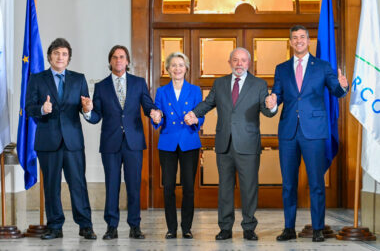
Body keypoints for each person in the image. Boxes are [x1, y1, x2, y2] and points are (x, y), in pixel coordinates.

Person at [185, 47, 277, 241]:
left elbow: (267, 111)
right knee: (225, 188)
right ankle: (225, 227)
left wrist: (272, 105)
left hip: (248, 145)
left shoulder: (259, 84)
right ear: (230, 62)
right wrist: (194, 113)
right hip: (224, 144)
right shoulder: (220, 83)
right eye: (235, 60)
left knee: (249, 188)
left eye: (243, 60)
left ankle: (249, 227)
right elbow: (208, 103)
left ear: (249, 63)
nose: (239, 64)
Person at [270, 25, 348, 242]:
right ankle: (288, 228)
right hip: (288, 132)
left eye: (302, 37)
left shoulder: (322, 66)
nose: (298, 41)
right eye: (294, 38)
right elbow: (277, 96)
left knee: (316, 182)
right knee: (288, 183)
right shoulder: (282, 68)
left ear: (308, 40)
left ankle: (318, 228)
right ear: (290, 42)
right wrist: (272, 102)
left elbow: (336, 90)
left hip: (314, 131)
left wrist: (343, 86)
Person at [82, 45, 161, 240]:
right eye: (115, 57)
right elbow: (96, 117)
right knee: (112, 185)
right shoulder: (101, 86)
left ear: (127, 61)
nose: (118, 60)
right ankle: (112, 226)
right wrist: (87, 111)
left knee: (134, 185)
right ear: (110, 61)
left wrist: (155, 113)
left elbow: (148, 106)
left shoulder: (138, 83)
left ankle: (135, 226)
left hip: (133, 142)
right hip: (110, 143)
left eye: (122, 57)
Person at [25, 38, 96, 240]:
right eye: (56, 53)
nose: (60, 57)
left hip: (73, 142)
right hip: (48, 142)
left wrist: (87, 109)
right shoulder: (37, 79)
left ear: (69, 58)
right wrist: (41, 109)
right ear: (49, 56)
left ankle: (85, 225)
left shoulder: (79, 79)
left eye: (64, 54)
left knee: (78, 184)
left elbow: (85, 107)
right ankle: (55, 226)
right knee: (51, 185)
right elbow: (29, 108)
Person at [151, 52, 205, 239]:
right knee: (168, 187)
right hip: (168, 143)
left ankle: (187, 228)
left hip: (189, 141)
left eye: (181, 65)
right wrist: (156, 117)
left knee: (189, 187)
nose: (177, 68)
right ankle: (171, 228)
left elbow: (201, 113)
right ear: (168, 69)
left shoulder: (195, 90)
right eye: (173, 65)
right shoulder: (161, 91)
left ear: (186, 68)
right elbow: (158, 114)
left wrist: (196, 119)